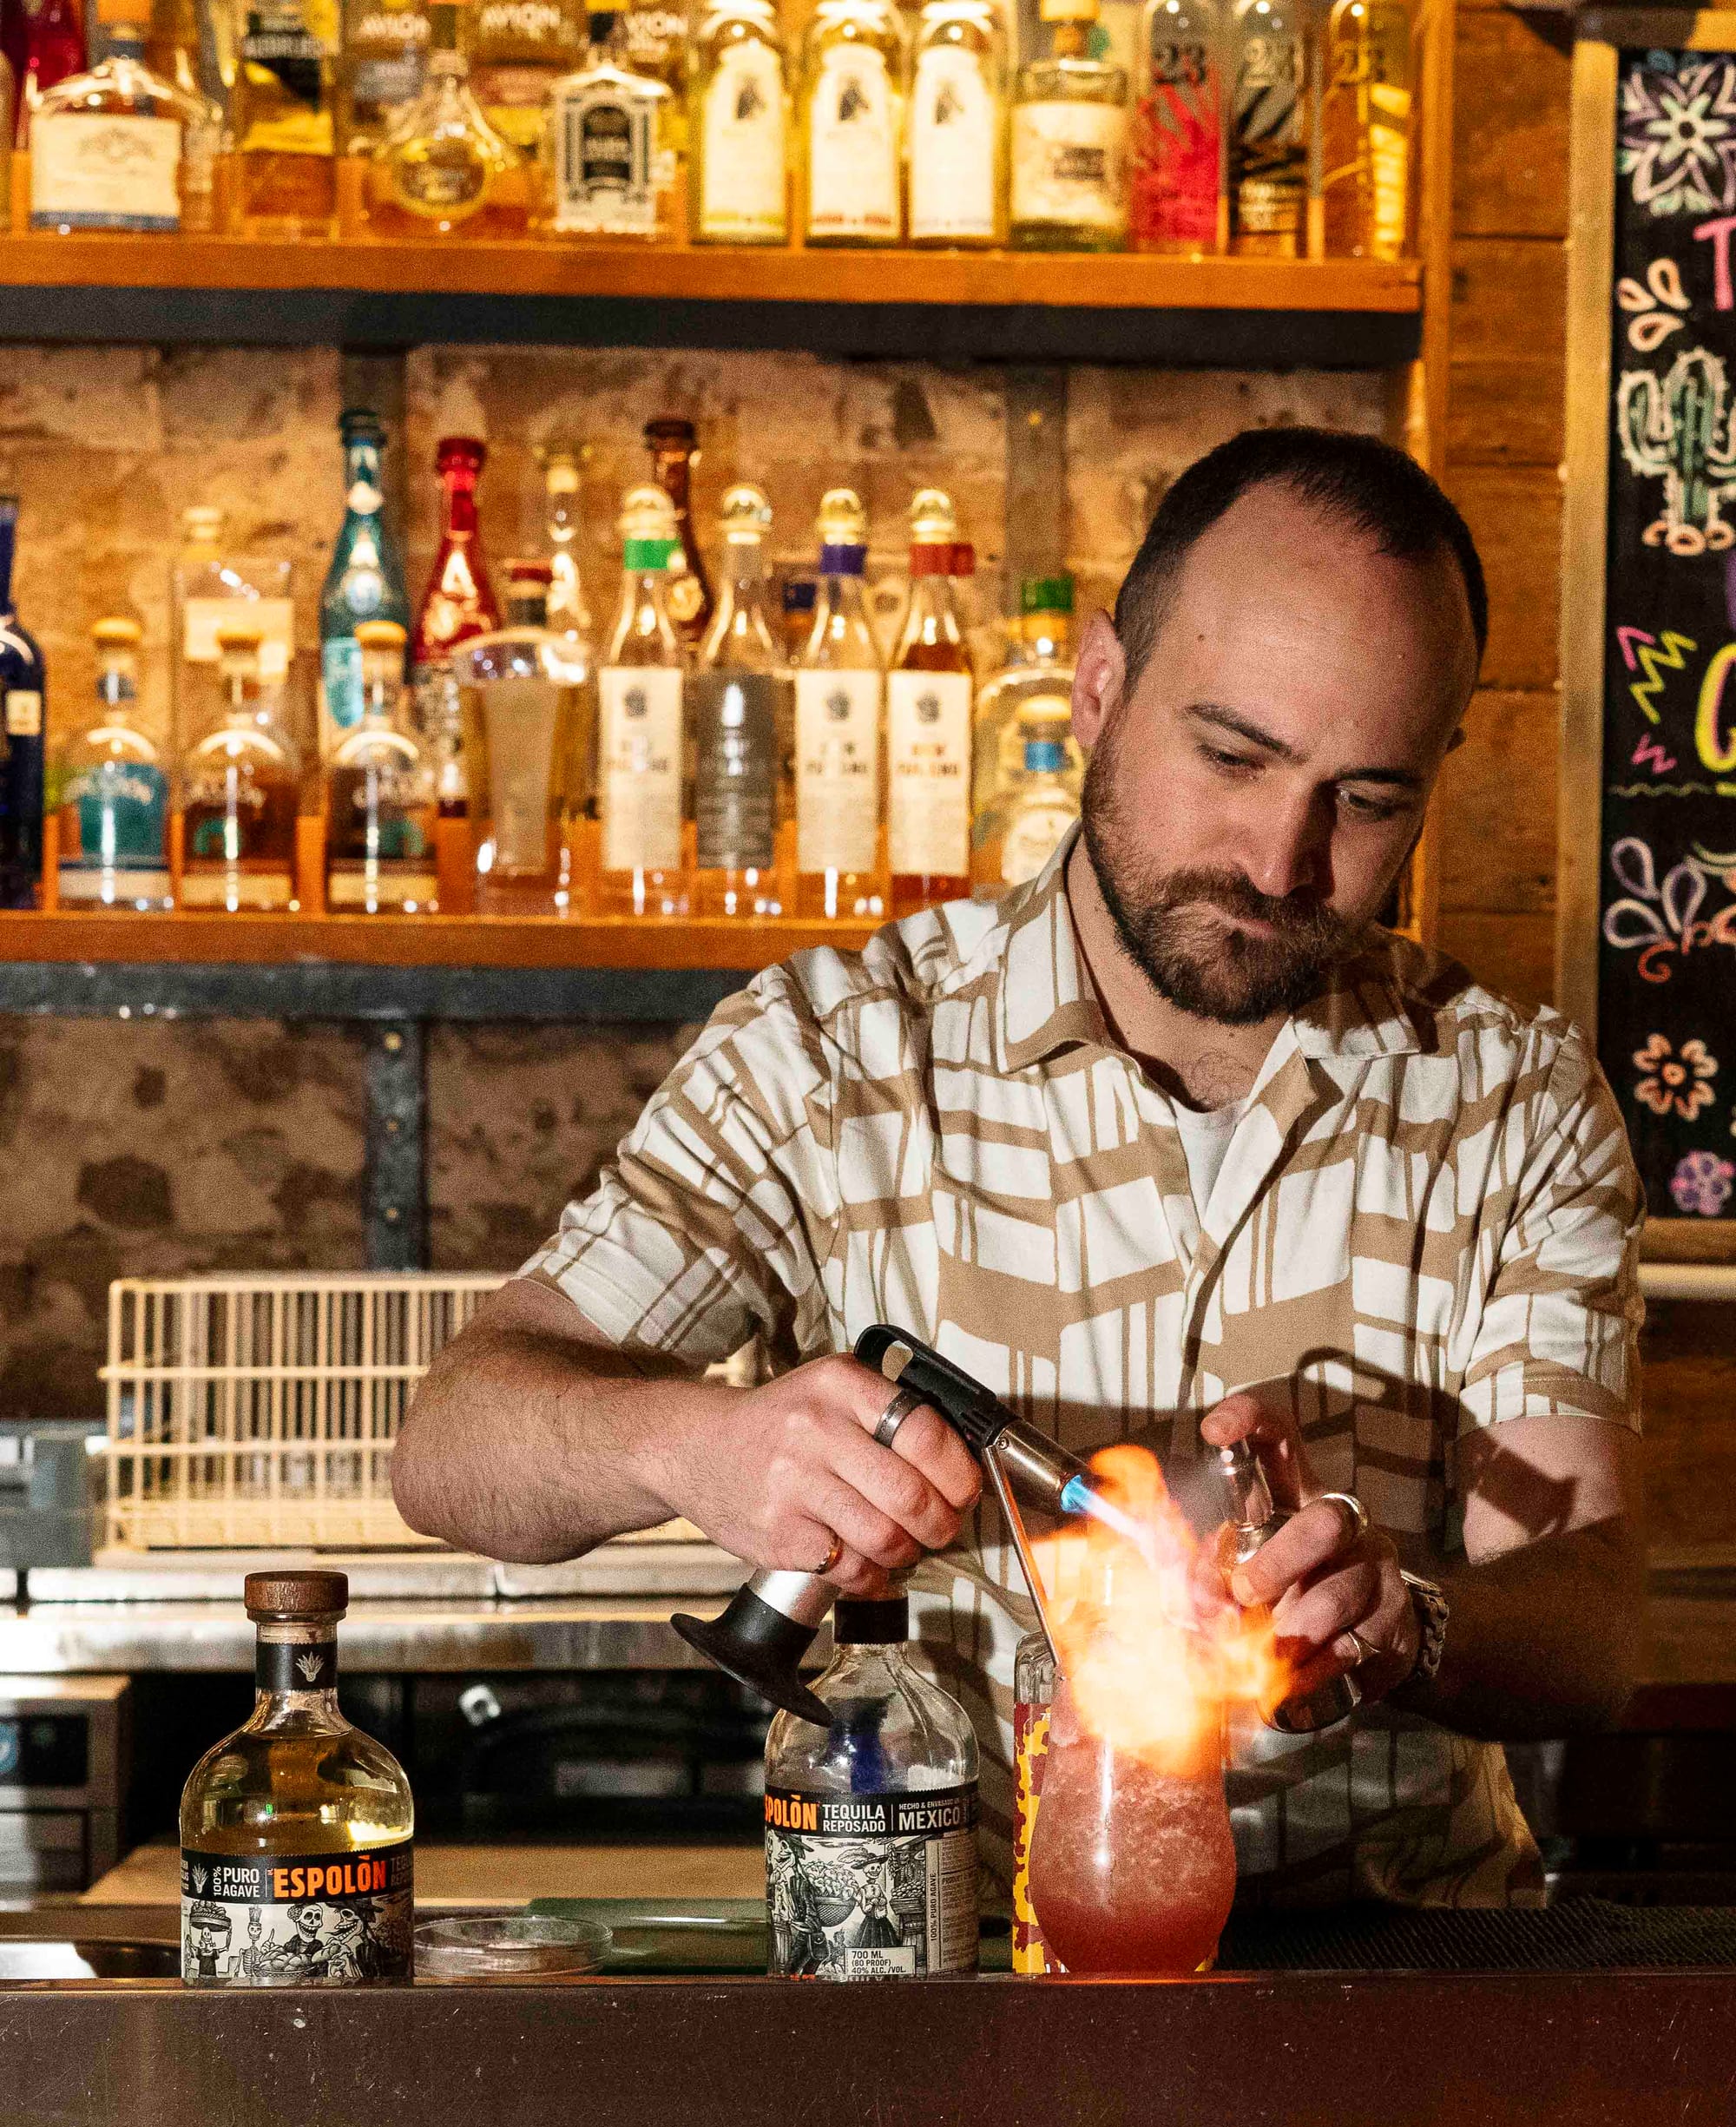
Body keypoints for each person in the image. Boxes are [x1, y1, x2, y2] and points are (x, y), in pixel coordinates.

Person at [395, 428, 1644, 1908]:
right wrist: (696, 1448)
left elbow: (1598, 1625)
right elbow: (452, 1444)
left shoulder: (1510, 1095)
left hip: (1398, 1989)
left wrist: (1410, 1620)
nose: (1280, 855)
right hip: (957, 1974)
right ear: (1100, 683)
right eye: (1232, 755)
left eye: (1365, 799)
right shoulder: (833, 1052)